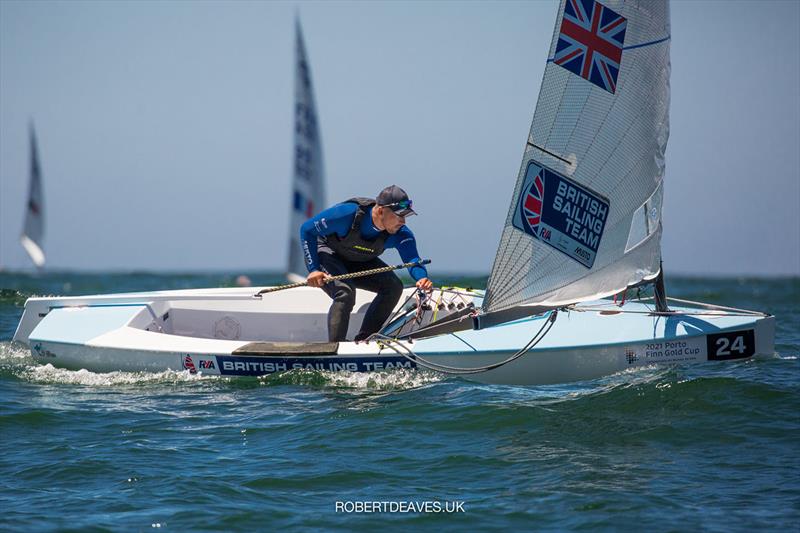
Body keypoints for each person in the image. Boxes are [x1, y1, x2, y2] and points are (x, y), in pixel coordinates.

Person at [299, 185, 433, 342]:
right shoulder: (347, 214)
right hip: (328, 255)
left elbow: (412, 259)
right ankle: (335, 347)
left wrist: (421, 277)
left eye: (406, 215)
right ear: (381, 211)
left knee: (393, 287)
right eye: (399, 215)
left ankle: (365, 340)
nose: (403, 221)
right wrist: (313, 269)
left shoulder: (401, 233)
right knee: (345, 292)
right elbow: (307, 229)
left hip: (359, 261)